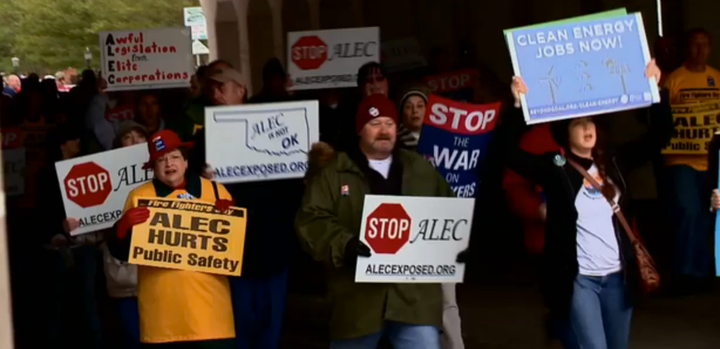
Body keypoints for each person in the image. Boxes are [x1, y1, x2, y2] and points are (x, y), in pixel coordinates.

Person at [507, 60, 669, 349]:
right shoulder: (555, 168)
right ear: (564, 133)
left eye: (590, 121)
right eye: (577, 123)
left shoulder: (614, 159)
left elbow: (660, 136)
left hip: (619, 279)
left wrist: (657, 89)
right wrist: (517, 106)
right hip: (581, 282)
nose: (586, 128)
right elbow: (509, 155)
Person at [296, 94, 454, 349]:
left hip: (413, 299)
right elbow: (310, 220)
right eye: (375, 123)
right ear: (360, 129)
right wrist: (343, 244)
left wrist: (456, 243)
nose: (384, 131)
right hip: (357, 301)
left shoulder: (420, 169)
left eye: (389, 123)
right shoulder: (334, 173)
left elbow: (448, 210)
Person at [108, 129, 236, 348]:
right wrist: (121, 228)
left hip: (211, 316)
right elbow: (123, 252)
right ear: (153, 168)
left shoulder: (216, 192)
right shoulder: (140, 196)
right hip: (162, 321)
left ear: (185, 161)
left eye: (174, 156)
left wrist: (233, 219)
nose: (169, 164)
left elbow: (237, 249)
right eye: (161, 160)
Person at [204, 66, 298, 349]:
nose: (216, 94)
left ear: (240, 90)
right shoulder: (206, 134)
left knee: (270, 327)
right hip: (232, 249)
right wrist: (204, 180)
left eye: (223, 88)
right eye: (213, 89)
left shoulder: (276, 122)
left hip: (273, 243)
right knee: (239, 324)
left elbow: (294, 183)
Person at [662, 28, 720, 291]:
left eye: (705, 45)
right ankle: (684, 272)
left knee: (708, 215)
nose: (700, 49)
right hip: (681, 159)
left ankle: (701, 270)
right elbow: (658, 119)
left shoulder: (717, 78)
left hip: (712, 160)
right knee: (688, 210)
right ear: (687, 49)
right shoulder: (674, 80)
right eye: (695, 44)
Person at [37, 125, 103, 348]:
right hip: (59, 247)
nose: (78, 141)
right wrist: (59, 227)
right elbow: (42, 213)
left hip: (84, 244)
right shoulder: (46, 175)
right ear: (62, 144)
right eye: (73, 138)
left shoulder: (86, 169)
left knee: (88, 298)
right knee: (58, 300)